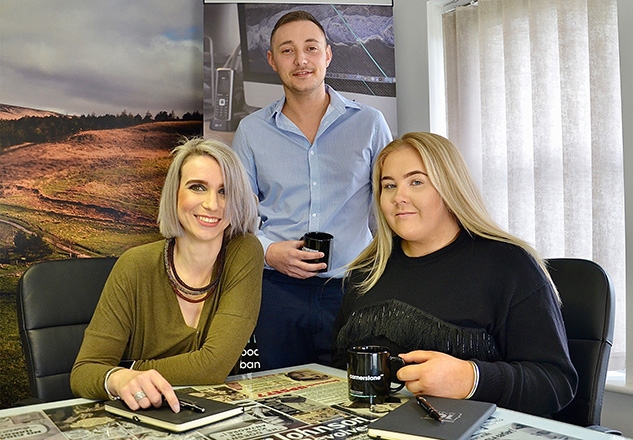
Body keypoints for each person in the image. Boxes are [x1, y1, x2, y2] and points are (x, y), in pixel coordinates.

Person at [332, 132, 578, 416]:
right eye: (389, 186)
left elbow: (555, 383)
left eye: (416, 182)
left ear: (450, 188)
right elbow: (338, 365)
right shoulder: (366, 270)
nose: (399, 197)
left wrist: (470, 379)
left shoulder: (509, 265)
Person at [231, 10, 393, 369]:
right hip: (276, 291)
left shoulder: (369, 123)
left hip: (353, 289)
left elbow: (387, 210)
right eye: (287, 51)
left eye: (311, 48)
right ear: (272, 61)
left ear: (328, 54)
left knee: (358, 398)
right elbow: (236, 217)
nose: (301, 60)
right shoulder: (251, 131)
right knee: (281, 398)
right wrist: (268, 251)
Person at [70, 137, 263, 412]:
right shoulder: (135, 265)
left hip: (209, 417)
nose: (212, 204)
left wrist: (133, 368)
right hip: (143, 417)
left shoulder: (244, 251)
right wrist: (118, 378)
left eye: (225, 191)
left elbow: (212, 367)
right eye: (198, 187)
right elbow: (84, 373)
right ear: (174, 194)